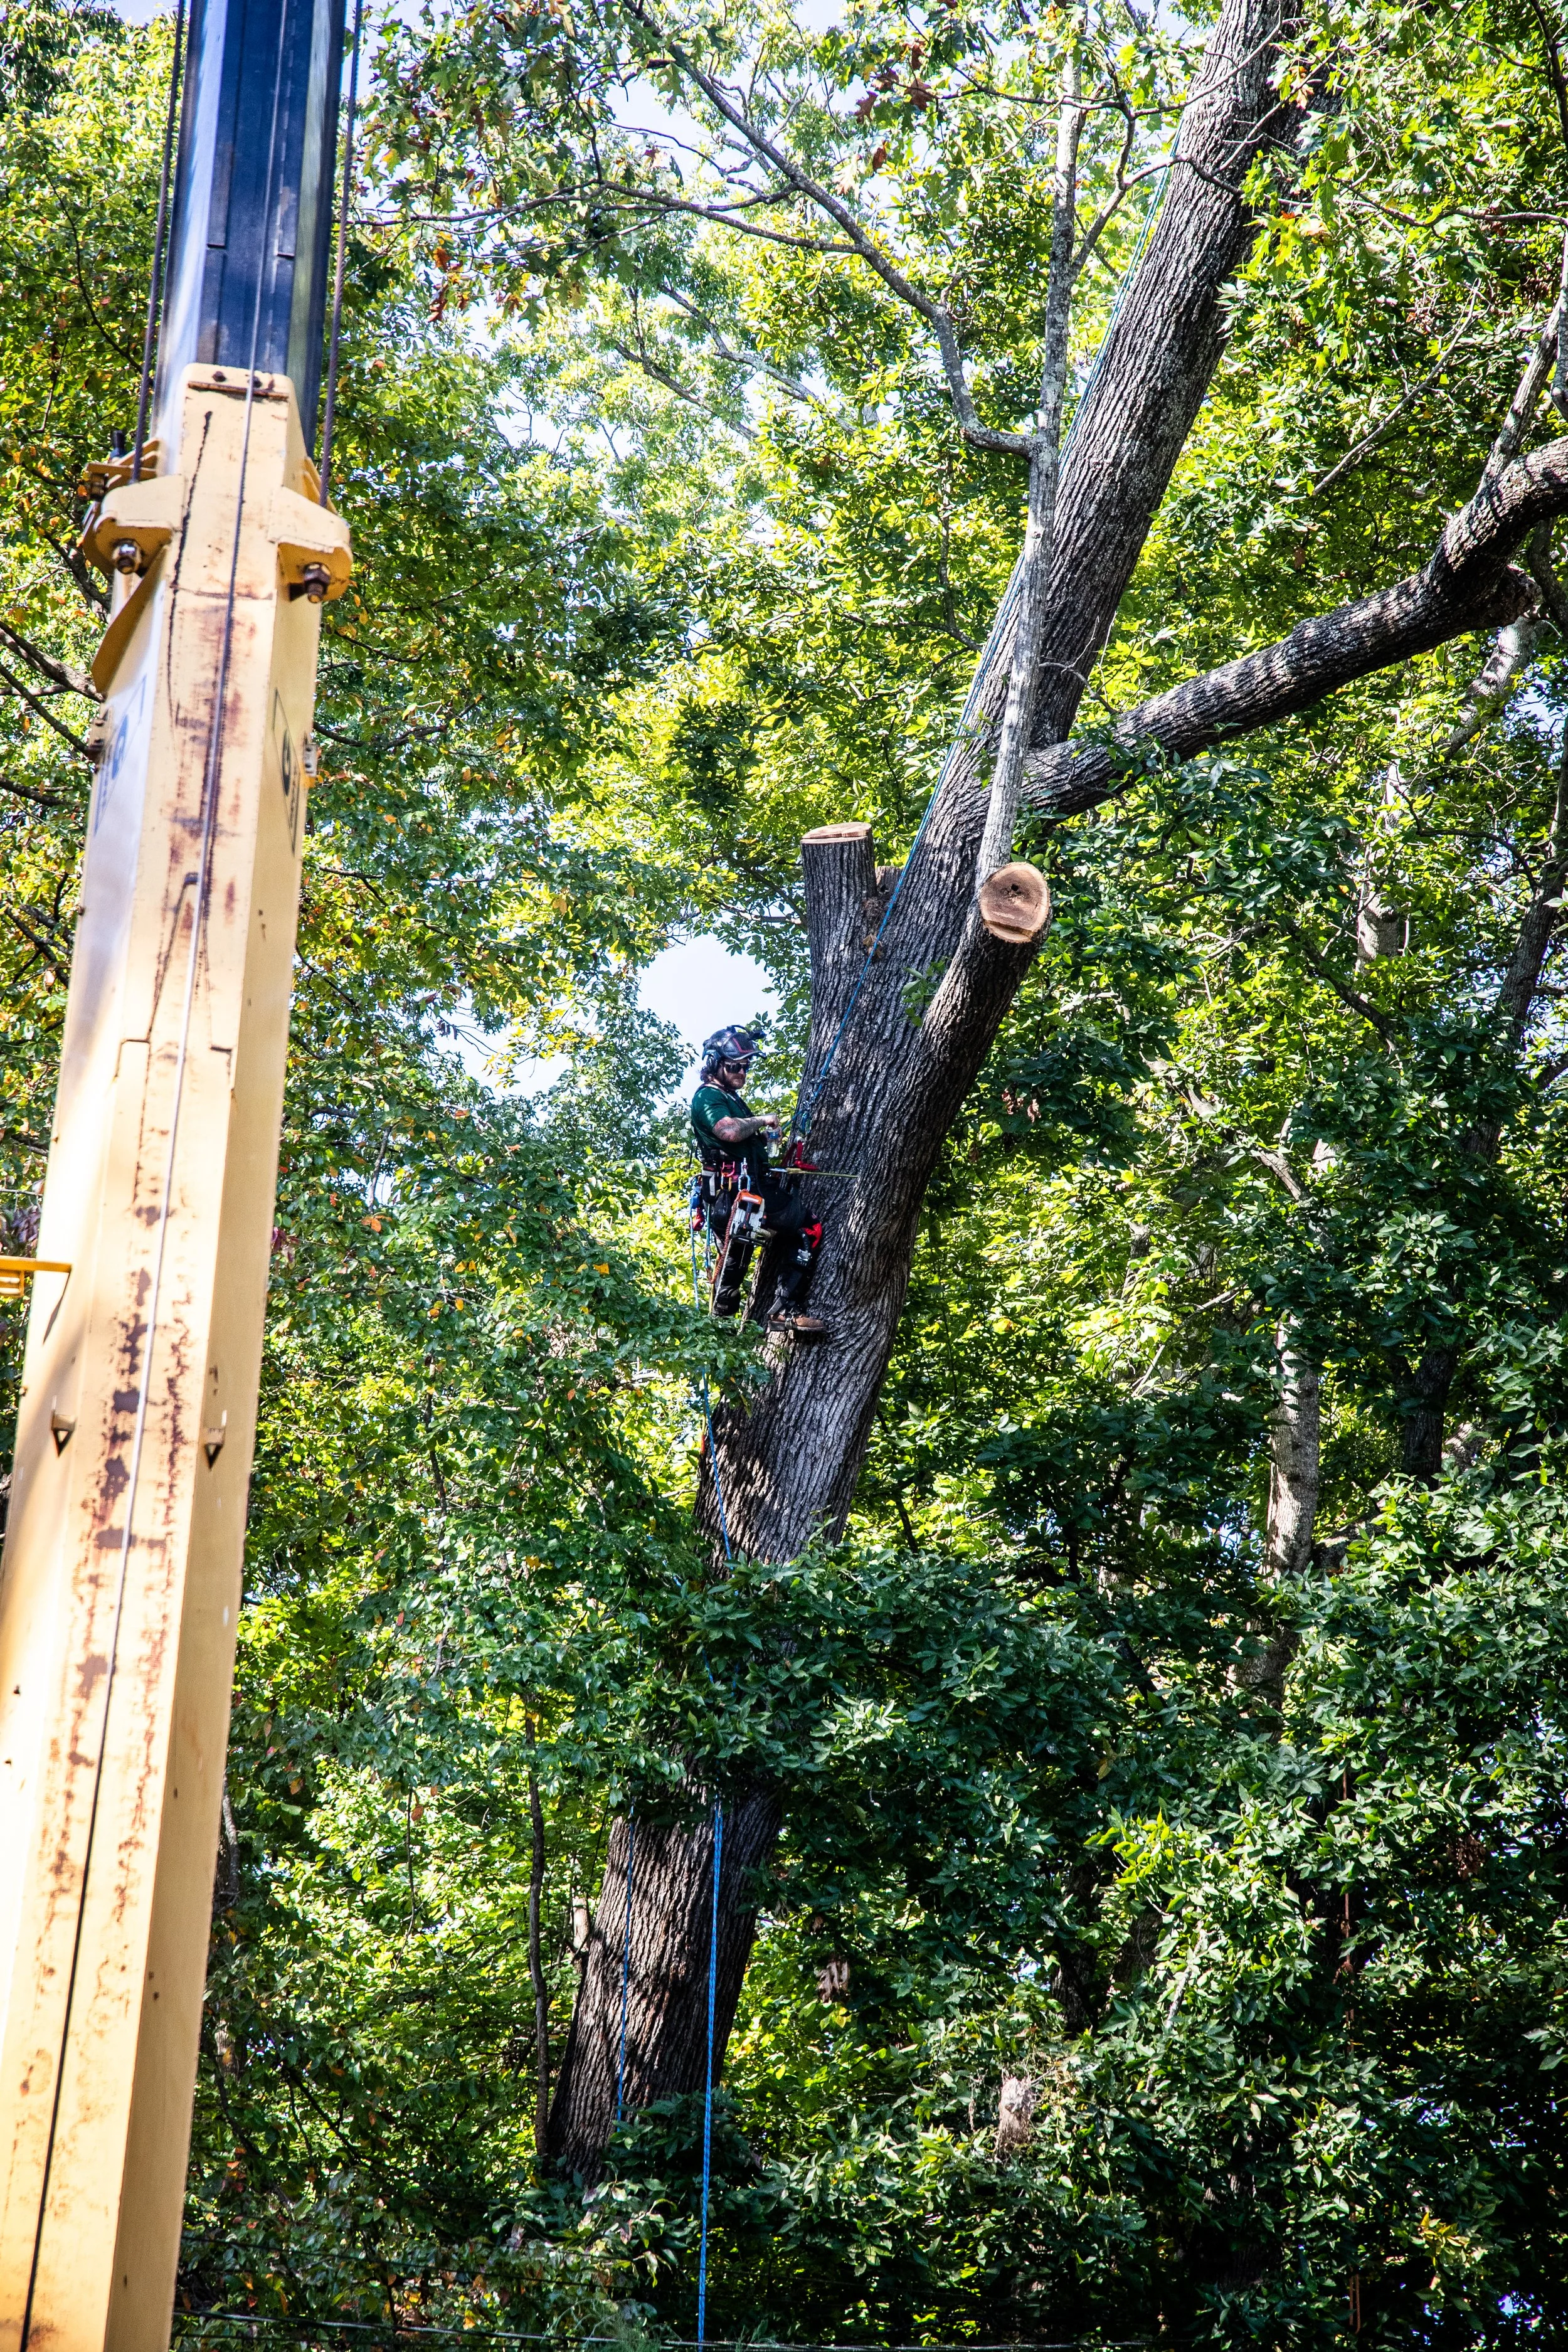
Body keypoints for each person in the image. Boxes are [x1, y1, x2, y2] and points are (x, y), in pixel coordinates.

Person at [691, 1025, 827, 1335]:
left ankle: (736, 1330)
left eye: (746, 1066)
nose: (742, 1072)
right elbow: (728, 1132)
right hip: (737, 1196)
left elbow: (737, 1140)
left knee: (733, 1268)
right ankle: (777, 1315)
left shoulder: (730, 1098)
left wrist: (763, 1138)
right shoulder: (709, 1097)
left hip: (748, 1196)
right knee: (808, 1228)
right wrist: (761, 1120)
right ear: (714, 1064)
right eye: (735, 1065)